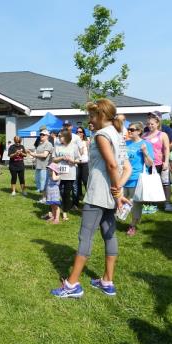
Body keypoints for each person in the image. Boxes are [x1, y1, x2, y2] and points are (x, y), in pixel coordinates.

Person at [51, 98, 131, 298]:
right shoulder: (118, 135)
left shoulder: (102, 135)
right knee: (109, 235)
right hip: (110, 196)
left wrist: (117, 192)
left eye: (91, 116)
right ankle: (107, 282)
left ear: (101, 115)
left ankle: (72, 285)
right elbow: (126, 168)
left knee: (85, 236)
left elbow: (113, 165)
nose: (89, 120)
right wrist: (118, 191)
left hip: (98, 195)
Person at [124, 122, 154, 235]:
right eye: (128, 129)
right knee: (120, 201)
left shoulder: (146, 144)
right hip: (123, 178)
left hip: (137, 178)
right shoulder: (125, 144)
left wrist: (145, 152)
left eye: (132, 129)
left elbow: (150, 164)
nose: (129, 131)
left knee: (135, 204)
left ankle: (133, 225)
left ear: (139, 131)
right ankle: (114, 220)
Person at [142, 111, 170, 212]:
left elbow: (166, 149)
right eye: (148, 124)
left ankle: (167, 203)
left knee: (165, 183)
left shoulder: (163, 135)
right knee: (151, 184)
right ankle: (152, 203)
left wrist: (166, 162)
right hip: (148, 164)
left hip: (160, 163)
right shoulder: (144, 135)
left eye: (152, 124)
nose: (150, 126)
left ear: (157, 123)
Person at [52, 130, 80, 221]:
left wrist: (72, 161)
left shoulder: (74, 146)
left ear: (66, 137)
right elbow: (54, 160)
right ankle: (55, 211)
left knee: (66, 194)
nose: (59, 137)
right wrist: (62, 158)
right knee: (57, 193)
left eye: (61, 136)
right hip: (58, 174)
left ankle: (65, 212)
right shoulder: (57, 146)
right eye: (59, 136)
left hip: (70, 174)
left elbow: (78, 160)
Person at [27, 129, 53, 202]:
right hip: (38, 166)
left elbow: (45, 155)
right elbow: (37, 154)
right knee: (38, 183)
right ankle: (43, 197)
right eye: (41, 134)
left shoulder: (48, 144)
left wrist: (34, 154)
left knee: (43, 183)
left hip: (44, 167)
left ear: (47, 136)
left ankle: (45, 198)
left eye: (43, 134)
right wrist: (31, 154)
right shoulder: (40, 144)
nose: (41, 136)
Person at [75, 126, 89, 204]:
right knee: (77, 182)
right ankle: (79, 197)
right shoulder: (74, 142)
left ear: (83, 133)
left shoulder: (86, 141)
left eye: (80, 132)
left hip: (85, 163)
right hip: (77, 163)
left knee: (86, 181)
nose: (78, 133)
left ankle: (89, 197)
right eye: (77, 132)